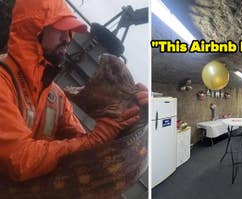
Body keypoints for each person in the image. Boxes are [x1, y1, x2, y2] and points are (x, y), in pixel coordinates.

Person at [0, 0, 147, 181]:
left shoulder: (55, 96)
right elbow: (18, 161)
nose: (68, 38)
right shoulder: (3, 82)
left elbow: (85, 147)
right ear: (35, 29)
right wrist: (96, 139)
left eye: (69, 31)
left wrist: (133, 120)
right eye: (61, 29)